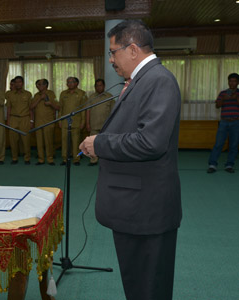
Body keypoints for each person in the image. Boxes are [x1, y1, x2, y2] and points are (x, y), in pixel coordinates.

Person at [79, 20, 181, 300]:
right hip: (134, 205)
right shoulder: (140, 81)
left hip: (145, 209)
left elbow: (151, 142)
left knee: (149, 288)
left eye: (113, 52)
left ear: (133, 49)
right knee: (138, 286)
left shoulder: (158, 80)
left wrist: (99, 143)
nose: (111, 59)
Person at [207, 73, 239, 173]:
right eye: (230, 81)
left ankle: (229, 165)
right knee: (218, 144)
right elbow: (217, 106)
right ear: (228, 82)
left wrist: (235, 97)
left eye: (234, 81)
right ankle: (212, 164)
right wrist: (224, 99)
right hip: (224, 122)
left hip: (236, 122)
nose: (232, 83)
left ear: (238, 83)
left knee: (233, 145)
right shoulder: (223, 93)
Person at [85, 79, 114, 166]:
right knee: (92, 144)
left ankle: (105, 161)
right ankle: (93, 160)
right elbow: (88, 111)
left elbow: (113, 111)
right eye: (97, 85)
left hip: (106, 125)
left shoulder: (109, 96)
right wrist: (87, 123)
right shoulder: (91, 97)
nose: (98, 87)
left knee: (105, 144)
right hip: (94, 125)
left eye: (100, 85)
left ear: (104, 86)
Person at [30, 79, 59, 165]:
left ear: (46, 85)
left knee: (48, 141)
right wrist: (40, 98)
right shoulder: (36, 95)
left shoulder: (51, 94)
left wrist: (50, 103)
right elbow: (31, 107)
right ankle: (41, 159)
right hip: (38, 122)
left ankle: (50, 159)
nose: (38, 86)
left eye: (39, 84)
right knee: (39, 142)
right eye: (37, 85)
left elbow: (58, 107)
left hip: (49, 121)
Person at [59, 77, 87, 166]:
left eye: (71, 82)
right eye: (68, 82)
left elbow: (83, 109)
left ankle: (76, 159)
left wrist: (83, 121)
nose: (69, 84)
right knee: (64, 141)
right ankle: (65, 159)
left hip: (76, 121)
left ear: (76, 83)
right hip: (64, 121)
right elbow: (60, 108)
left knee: (76, 141)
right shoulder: (63, 94)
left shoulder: (82, 93)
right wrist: (59, 120)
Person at [6, 76, 33, 164]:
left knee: (26, 140)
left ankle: (27, 158)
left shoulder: (28, 94)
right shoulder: (10, 94)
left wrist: (31, 120)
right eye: (16, 82)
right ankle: (14, 158)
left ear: (22, 83)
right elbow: (9, 108)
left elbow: (30, 108)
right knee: (13, 140)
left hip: (25, 118)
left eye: (19, 82)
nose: (18, 84)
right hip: (13, 118)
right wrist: (8, 120)